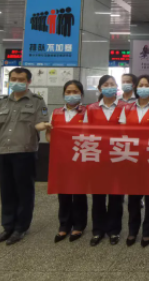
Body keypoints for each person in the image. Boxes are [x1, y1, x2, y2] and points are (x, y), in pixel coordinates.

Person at [0, 68, 50, 246]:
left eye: (21, 79)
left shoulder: (37, 101)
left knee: (24, 192)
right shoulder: (1, 102)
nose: (17, 82)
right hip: (4, 154)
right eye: (13, 79)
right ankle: (7, 227)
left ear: (28, 82)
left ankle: (21, 227)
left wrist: (45, 126)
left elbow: (39, 123)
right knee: (6, 191)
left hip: (25, 153)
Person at [83, 75, 127, 246]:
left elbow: (128, 132)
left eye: (112, 84)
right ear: (100, 88)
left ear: (117, 87)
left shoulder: (125, 107)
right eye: (106, 84)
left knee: (116, 196)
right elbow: (85, 133)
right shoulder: (91, 109)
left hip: (118, 157)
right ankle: (98, 230)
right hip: (97, 157)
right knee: (98, 196)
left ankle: (114, 230)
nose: (109, 87)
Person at [122, 75, 149, 248]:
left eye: (147, 85)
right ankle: (133, 230)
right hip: (132, 157)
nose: (143, 88)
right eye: (141, 85)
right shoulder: (127, 108)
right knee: (133, 197)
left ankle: (147, 231)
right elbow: (121, 131)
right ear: (136, 88)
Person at [46, 80, 88, 243]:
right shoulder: (56, 113)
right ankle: (64, 224)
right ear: (64, 94)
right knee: (63, 193)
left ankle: (79, 224)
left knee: (78, 193)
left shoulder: (87, 112)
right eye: (68, 92)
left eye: (75, 92)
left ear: (81, 94)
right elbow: (49, 136)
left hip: (80, 159)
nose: (71, 95)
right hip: (61, 159)